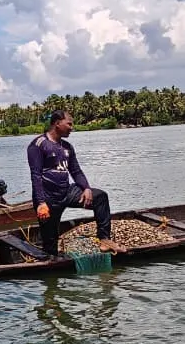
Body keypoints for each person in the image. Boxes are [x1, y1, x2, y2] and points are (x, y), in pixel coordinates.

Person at [27, 109, 126, 256]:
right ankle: (51, 266)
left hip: (67, 192)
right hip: (48, 198)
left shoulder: (67, 147)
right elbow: (35, 175)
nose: (72, 128)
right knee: (50, 245)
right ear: (57, 123)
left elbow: (76, 171)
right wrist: (41, 202)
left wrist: (86, 188)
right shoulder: (38, 144)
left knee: (100, 197)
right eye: (69, 124)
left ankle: (104, 239)